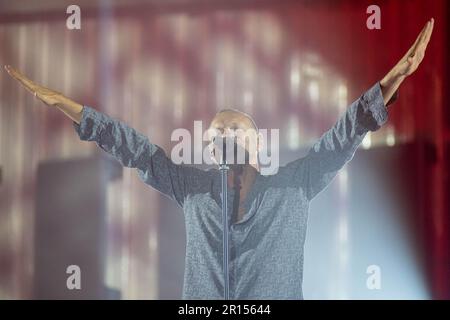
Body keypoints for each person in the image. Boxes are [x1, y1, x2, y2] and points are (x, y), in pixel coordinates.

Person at [5, 19, 434, 299]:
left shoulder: (293, 187)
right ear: (209, 150)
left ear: (259, 146)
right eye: (218, 133)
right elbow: (132, 148)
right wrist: (69, 106)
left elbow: (343, 137)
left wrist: (391, 80)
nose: (225, 136)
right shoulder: (192, 189)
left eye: (235, 129)